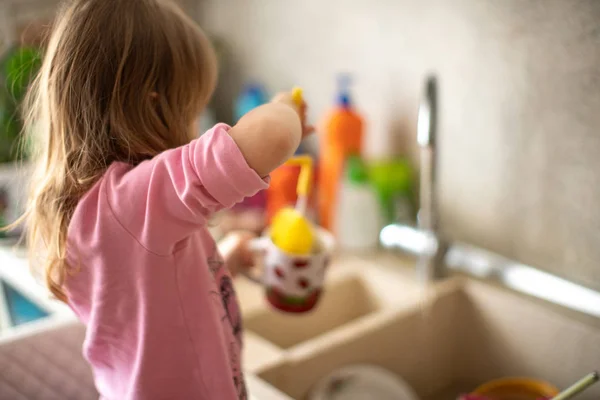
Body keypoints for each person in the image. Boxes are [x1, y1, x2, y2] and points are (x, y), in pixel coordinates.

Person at [13, 0, 312, 399]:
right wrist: (284, 109)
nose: (197, 126)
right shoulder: (130, 204)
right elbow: (271, 137)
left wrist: (222, 259)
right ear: (155, 104)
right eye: (194, 108)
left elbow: (148, 298)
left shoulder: (99, 207)